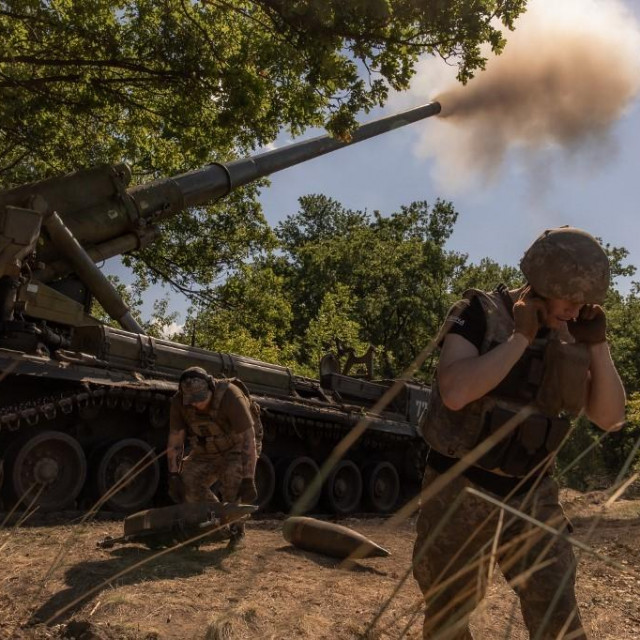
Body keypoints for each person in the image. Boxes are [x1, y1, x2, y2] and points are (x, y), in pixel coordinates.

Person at [413, 227, 626, 639]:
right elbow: (455, 392)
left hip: (532, 496)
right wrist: (519, 339)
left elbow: (610, 418)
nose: (576, 309)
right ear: (542, 283)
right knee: (447, 616)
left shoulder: (573, 335)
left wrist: (598, 347)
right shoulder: (477, 312)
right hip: (461, 490)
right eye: (570, 298)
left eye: (586, 302)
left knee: (558, 615)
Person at [166, 366, 259, 549]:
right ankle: (217, 526)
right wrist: (174, 474)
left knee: (234, 479)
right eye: (192, 400)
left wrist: (249, 478)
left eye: (201, 399)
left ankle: (237, 531)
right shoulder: (179, 402)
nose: (197, 404)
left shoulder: (230, 396)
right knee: (188, 481)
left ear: (211, 387)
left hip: (237, 447)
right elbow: (176, 440)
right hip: (206, 450)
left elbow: (249, 438)